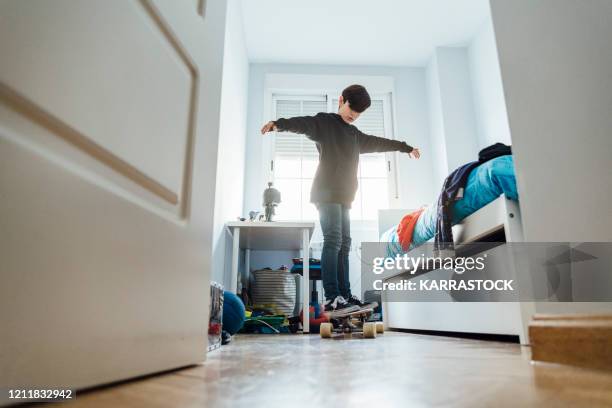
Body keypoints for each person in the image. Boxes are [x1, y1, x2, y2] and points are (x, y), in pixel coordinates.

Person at [261, 85, 421, 313]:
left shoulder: (355, 135)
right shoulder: (325, 123)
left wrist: (405, 148)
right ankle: (332, 296)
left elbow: (379, 142)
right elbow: (302, 123)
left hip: (346, 197)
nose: (353, 115)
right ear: (341, 100)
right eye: (351, 108)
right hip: (326, 193)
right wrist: (279, 124)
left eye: (359, 113)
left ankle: (344, 296)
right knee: (334, 239)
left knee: (345, 244)